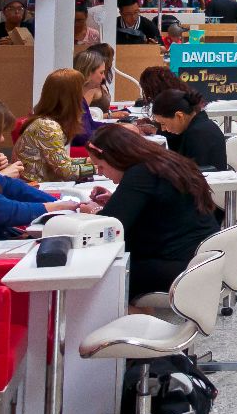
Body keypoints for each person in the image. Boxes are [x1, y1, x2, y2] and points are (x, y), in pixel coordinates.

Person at [85, 125, 222, 302]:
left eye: (101, 166)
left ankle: (130, 318)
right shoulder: (163, 162)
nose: (100, 173)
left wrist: (92, 211)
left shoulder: (140, 173)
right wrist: (118, 199)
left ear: (115, 157)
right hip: (199, 256)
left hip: (177, 265)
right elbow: (156, 204)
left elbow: (110, 227)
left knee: (103, 276)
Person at [0, 96, 88, 242]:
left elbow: (12, 187)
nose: (1, 139)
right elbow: (6, 211)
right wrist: (53, 207)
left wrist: (59, 203)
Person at [13, 69, 88, 182]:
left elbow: (61, 161)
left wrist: (87, 161)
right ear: (72, 97)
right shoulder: (48, 126)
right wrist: (97, 169)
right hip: (38, 188)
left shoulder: (46, 122)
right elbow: (66, 172)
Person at [151, 86, 228, 172]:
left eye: (163, 123)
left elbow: (194, 174)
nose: (163, 129)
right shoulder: (199, 125)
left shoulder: (198, 133)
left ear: (179, 116)